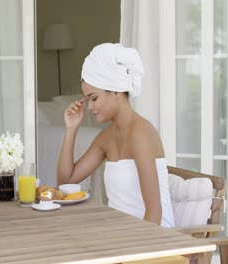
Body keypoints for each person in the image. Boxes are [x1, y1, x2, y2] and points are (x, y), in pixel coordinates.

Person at [57, 43, 175, 227]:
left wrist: (136, 253)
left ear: (117, 91)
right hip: (120, 236)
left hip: (151, 239)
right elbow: (66, 181)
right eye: (88, 99)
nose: (89, 107)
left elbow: (154, 209)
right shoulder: (107, 137)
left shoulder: (141, 134)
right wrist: (71, 129)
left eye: (94, 98)